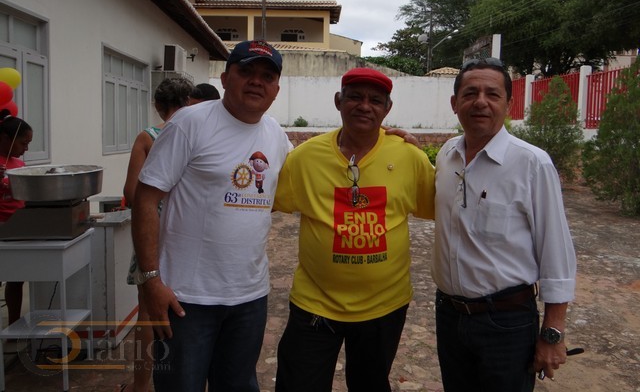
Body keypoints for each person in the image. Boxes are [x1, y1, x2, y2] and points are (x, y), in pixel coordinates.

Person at [131, 40, 291, 392]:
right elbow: (145, 199)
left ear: (276, 89)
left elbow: (318, 170)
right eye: (246, 71)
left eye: (267, 76)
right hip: (186, 298)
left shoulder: (276, 135)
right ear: (225, 77)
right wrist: (151, 280)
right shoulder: (189, 123)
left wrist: (390, 140)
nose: (256, 81)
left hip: (249, 297)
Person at [273, 67, 436, 392]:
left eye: (375, 100)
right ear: (338, 101)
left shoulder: (409, 157)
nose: (365, 106)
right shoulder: (305, 158)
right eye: (355, 97)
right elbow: (264, 205)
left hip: (384, 306)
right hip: (315, 304)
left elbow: (440, 209)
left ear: (387, 109)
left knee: (370, 385)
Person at [432, 57, 577, 391]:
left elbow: (555, 251)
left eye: (492, 94)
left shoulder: (532, 163)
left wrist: (553, 332)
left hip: (506, 322)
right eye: (470, 93)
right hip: (449, 315)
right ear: (455, 103)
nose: (480, 102)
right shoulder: (446, 155)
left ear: (508, 104)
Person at [120, 77, 195, 392]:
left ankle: (140, 385)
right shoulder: (196, 135)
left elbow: (131, 193)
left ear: (157, 105)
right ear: (189, 101)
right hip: (187, 232)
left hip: (152, 230)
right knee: (189, 310)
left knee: (147, 312)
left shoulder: (148, 137)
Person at [0, 111, 33, 326]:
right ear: (6, 139)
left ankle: (13, 323)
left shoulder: (18, 165)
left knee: (16, 278)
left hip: (18, 228)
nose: (26, 149)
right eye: (23, 143)